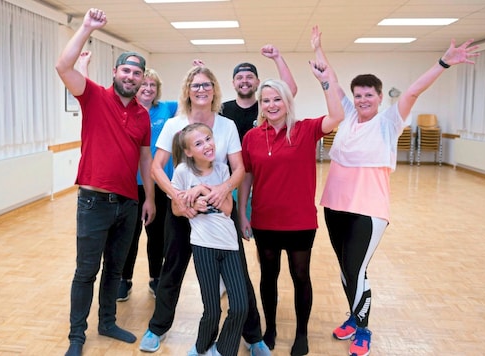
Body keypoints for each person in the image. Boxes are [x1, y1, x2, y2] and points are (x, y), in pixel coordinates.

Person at [312, 25, 479, 356]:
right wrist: (318, 48)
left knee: (357, 269)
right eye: (358, 95)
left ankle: (363, 329)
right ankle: (353, 317)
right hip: (334, 205)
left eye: (368, 95)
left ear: (378, 96)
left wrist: (443, 62)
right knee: (346, 268)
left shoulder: (388, 123)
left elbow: (413, 92)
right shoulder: (346, 116)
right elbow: (327, 75)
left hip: (369, 209)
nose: (362, 100)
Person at [139, 65, 271, 356]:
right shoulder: (175, 124)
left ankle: (253, 336)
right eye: (195, 85)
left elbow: (239, 168)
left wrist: (224, 190)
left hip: (220, 211)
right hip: (185, 210)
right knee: (172, 267)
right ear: (187, 90)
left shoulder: (226, 126)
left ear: (214, 89)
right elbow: (156, 167)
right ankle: (157, 327)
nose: (201, 90)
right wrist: (179, 197)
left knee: (240, 275)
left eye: (206, 84)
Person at [55, 8, 155, 356]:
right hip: (94, 202)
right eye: (126, 70)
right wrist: (85, 27)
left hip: (128, 204)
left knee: (115, 269)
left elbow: (145, 160)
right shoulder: (94, 97)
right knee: (86, 271)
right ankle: (76, 336)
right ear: (115, 72)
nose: (131, 76)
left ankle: (108, 322)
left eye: (137, 73)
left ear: (143, 80)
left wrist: (150, 199)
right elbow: (63, 67)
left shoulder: (143, 116)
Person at [238, 50, 344, 355]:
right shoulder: (252, 137)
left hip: (299, 221)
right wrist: (244, 215)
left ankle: (301, 334)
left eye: (277, 99)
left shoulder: (306, 129)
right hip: (264, 220)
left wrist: (326, 83)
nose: (272, 105)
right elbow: (246, 177)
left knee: (300, 277)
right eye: (266, 100)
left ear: (287, 102)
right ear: (261, 105)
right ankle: (269, 329)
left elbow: (336, 116)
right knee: (268, 278)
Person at [170, 123, 248, 356]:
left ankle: (223, 350)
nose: (207, 145)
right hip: (203, 247)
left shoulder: (224, 170)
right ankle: (201, 346)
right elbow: (175, 208)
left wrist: (203, 188)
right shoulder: (182, 172)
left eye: (208, 138)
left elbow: (226, 208)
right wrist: (192, 204)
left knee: (241, 306)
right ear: (188, 152)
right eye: (198, 143)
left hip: (230, 246)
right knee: (212, 310)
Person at [117, 68, 178, 301]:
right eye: (144, 85)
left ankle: (156, 277)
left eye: (153, 85)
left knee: (158, 235)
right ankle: (124, 279)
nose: (148, 89)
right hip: (132, 183)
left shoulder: (167, 108)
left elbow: (191, 103)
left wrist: (197, 71)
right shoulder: (126, 111)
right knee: (129, 235)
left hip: (160, 182)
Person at [222, 44, 298, 142]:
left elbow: (290, 90)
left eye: (249, 77)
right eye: (239, 78)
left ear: (258, 82)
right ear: (233, 83)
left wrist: (277, 58)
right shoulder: (222, 110)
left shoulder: (267, 108)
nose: (244, 81)